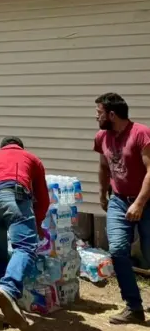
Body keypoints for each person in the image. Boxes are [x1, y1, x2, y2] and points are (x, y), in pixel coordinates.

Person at [0, 136, 49, 330]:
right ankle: (9, 287)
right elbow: (43, 197)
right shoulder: (31, 159)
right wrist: (37, 224)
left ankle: (9, 312)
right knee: (26, 247)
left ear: (2, 148)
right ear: (21, 147)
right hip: (13, 196)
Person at [94, 92, 150, 325]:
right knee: (117, 250)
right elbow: (104, 167)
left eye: (99, 113)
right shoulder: (102, 137)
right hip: (118, 200)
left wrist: (139, 202)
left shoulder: (141, 133)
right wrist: (102, 194)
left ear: (112, 114)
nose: (96, 118)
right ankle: (134, 307)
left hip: (146, 201)